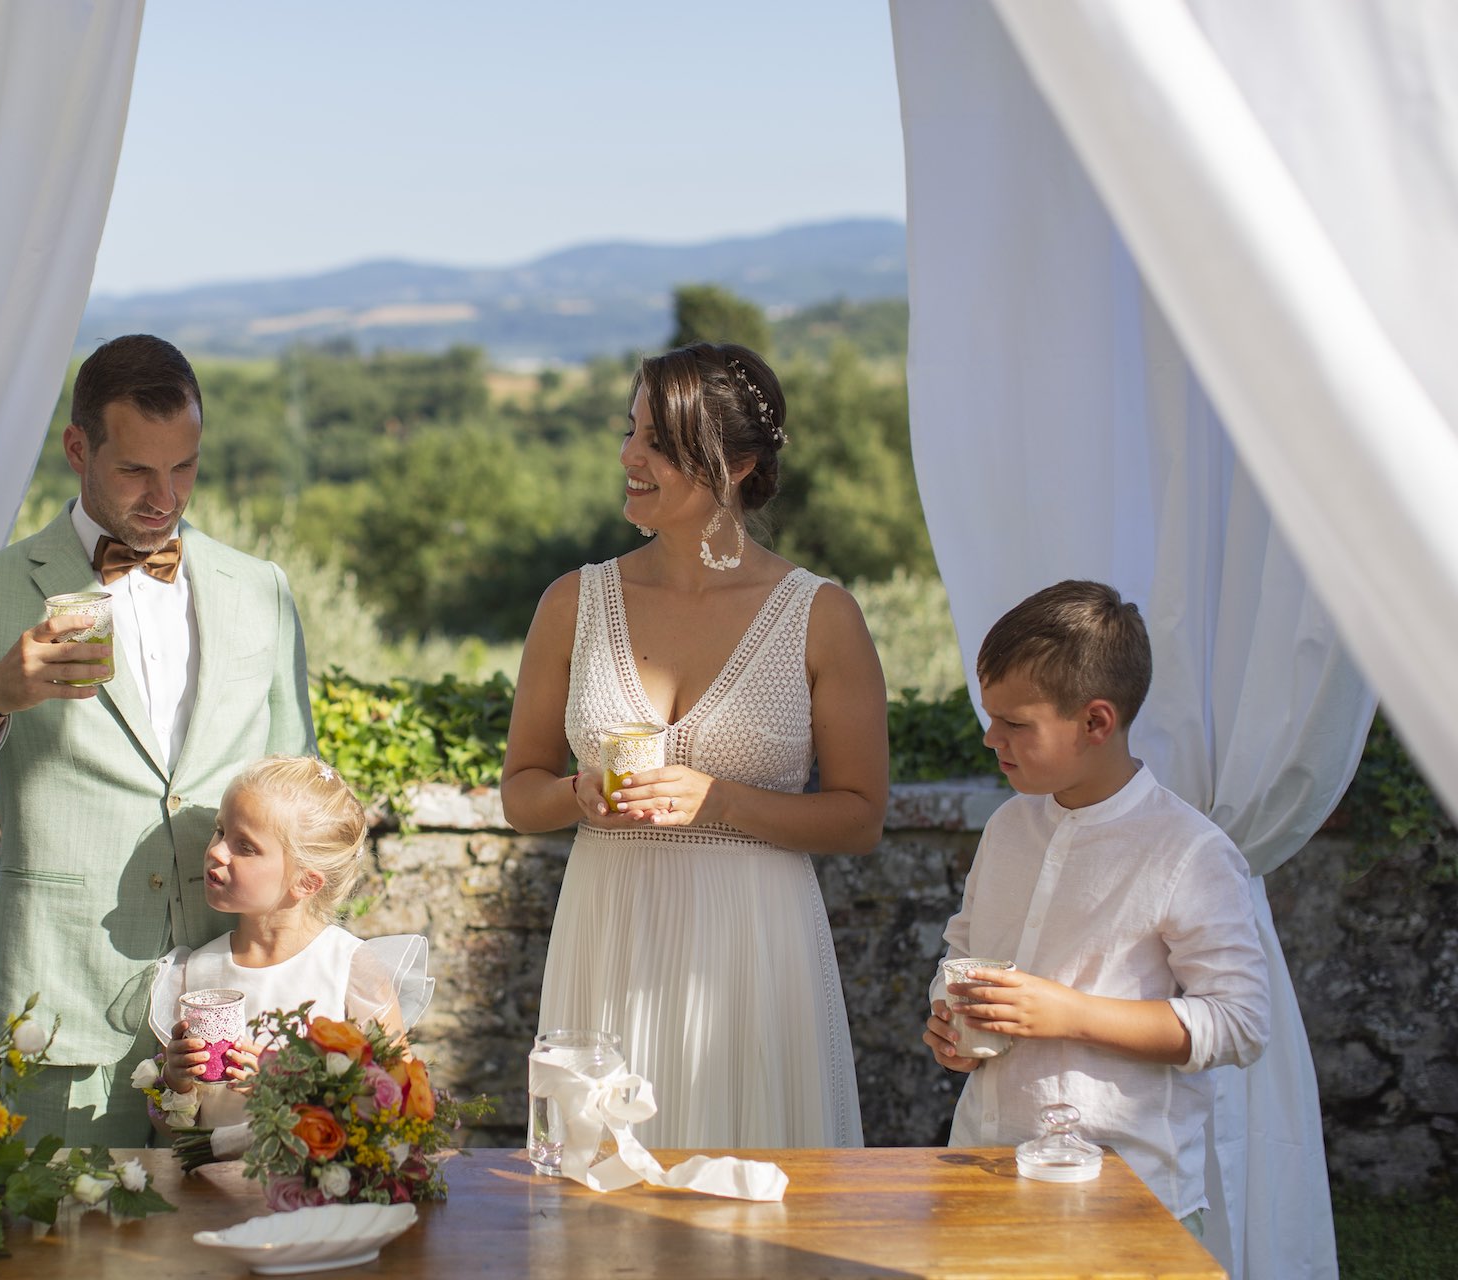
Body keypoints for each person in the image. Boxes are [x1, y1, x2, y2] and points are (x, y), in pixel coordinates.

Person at [0, 334, 317, 1146]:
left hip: (230, 1028)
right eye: (136, 470)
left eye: (185, 467)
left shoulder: (262, 591)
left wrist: (297, 983)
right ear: (78, 448)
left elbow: (300, 798)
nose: (165, 496)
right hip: (58, 1022)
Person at [500, 342, 888, 1148]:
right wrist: (577, 796)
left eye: (659, 444)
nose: (628, 456)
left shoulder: (821, 616)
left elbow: (860, 818)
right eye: (631, 430)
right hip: (609, 931)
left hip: (753, 951)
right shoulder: (572, 603)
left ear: (739, 464)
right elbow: (520, 792)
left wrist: (722, 800)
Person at [922, 580, 1269, 1237]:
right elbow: (961, 952)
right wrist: (951, 1020)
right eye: (990, 715)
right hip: (984, 1168)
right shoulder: (1006, 829)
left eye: (1015, 723)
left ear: (1096, 722)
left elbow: (1241, 1022)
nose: (991, 737)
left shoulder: (1189, 852)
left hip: (1129, 1198)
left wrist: (1069, 1013)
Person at [138, 755, 432, 1132]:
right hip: (211, 1182)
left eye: (245, 847)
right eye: (220, 830)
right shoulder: (196, 968)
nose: (216, 850)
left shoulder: (347, 968)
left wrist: (287, 1084)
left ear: (306, 883)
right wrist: (177, 1079)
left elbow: (399, 1103)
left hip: (312, 1182)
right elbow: (173, 1126)